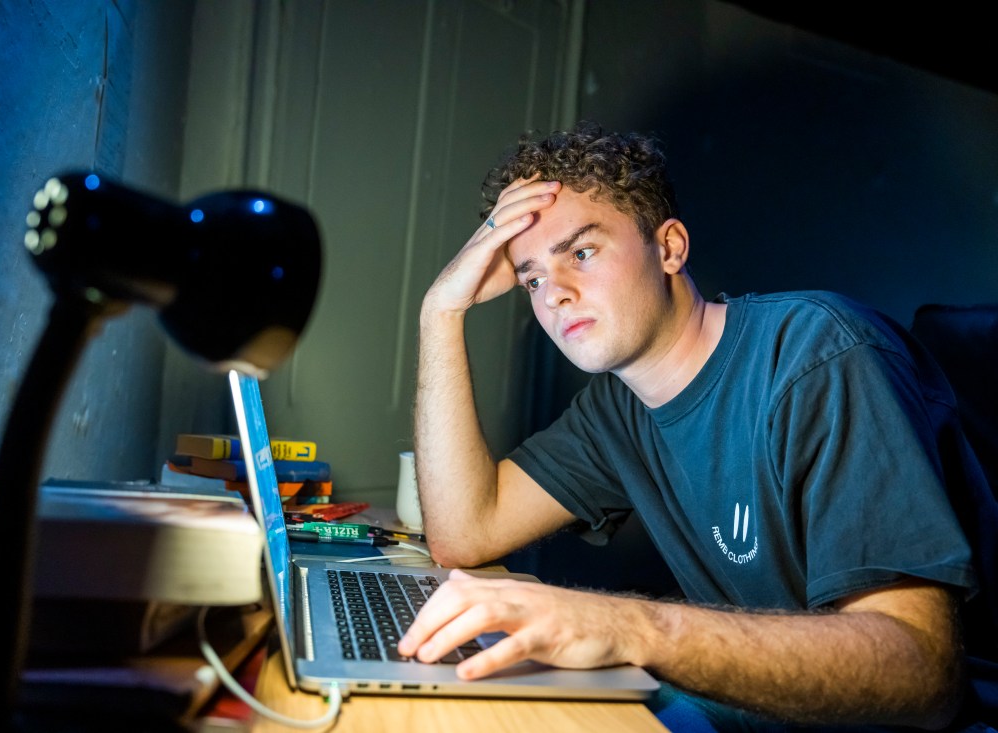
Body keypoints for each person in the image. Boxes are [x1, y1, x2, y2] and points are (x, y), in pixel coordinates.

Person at [397, 121, 995, 731]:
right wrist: (440, 311)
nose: (555, 295)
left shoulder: (821, 359)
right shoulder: (617, 409)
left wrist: (624, 626)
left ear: (670, 248)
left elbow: (923, 673)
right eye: (532, 278)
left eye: (581, 253)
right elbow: (464, 533)